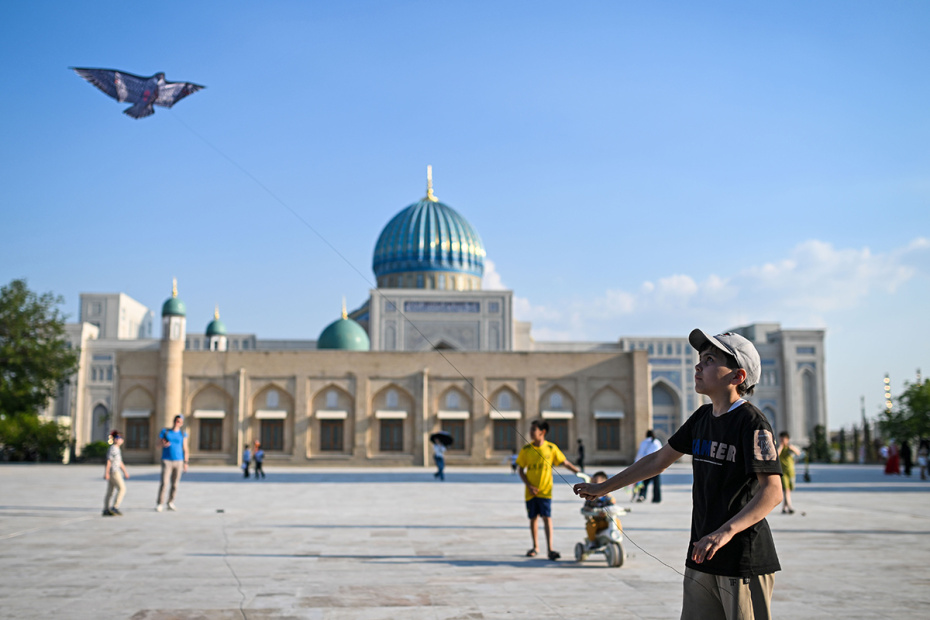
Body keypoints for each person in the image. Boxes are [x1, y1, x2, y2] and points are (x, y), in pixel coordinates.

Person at [575, 329, 783, 620]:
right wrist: (604, 487)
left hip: (741, 558)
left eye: (710, 360)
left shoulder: (752, 423)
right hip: (702, 553)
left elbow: (772, 491)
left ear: (738, 376)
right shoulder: (701, 418)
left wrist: (724, 533)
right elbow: (658, 461)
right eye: (699, 359)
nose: (698, 366)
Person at [517, 419, 580, 561]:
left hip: (546, 491)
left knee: (547, 518)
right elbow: (521, 469)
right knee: (533, 518)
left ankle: (550, 548)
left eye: (534, 429)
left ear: (542, 432)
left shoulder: (551, 448)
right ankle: (535, 547)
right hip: (530, 491)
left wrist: (579, 473)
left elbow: (565, 462)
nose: (531, 432)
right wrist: (529, 485)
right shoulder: (526, 450)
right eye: (531, 429)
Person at [156, 414, 189, 512]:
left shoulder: (183, 434)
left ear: (182, 423)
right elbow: (157, 445)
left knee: (175, 484)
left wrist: (186, 462)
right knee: (164, 482)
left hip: (179, 460)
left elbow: (185, 448)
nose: (177, 423)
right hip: (166, 460)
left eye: (179, 421)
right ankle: (160, 503)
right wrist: (163, 444)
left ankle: (170, 502)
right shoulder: (165, 432)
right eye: (176, 420)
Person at [582, 471, 618, 547]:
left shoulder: (609, 498)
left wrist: (608, 511)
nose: (594, 485)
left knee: (617, 522)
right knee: (590, 524)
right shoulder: (590, 498)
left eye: (596, 483)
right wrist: (591, 510)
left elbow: (613, 507)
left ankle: (617, 538)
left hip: (607, 520)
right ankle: (592, 541)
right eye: (593, 483)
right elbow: (585, 507)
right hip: (596, 520)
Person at [103, 430, 129, 516]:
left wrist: (125, 472)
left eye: (121, 438)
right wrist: (106, 473)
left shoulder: (117, 449)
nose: (120, 440)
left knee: (110, 491)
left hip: (115, 471)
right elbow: (109, 461)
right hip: (113, 472)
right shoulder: (113, 448)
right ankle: (115, 507)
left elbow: (119, 462)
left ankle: (106, 509)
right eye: (117, 438)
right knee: (122, 489)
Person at [635, 430, 663, 503]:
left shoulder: (644, 442)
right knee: (656, 483)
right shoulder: (657, 442)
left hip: (646, 465)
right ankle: (657, 498)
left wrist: (636, 464)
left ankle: (642, 495)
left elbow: (640, 454)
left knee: (644, 481)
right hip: (656, 465)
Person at [777, 432, 801, 514]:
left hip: (791, 471)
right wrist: (780, 447)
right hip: (782, 472)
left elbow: (798, 453)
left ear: (787, 439)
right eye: (780, 439)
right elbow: (776, 455)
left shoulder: (790, 448)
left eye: (783, 439)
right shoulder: (779, 448)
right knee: (786, 490)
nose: (782, 440)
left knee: (788, 490)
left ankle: (784, 507)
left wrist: (790, 447)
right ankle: (790, 507)